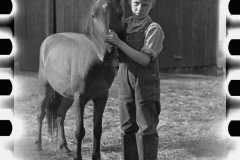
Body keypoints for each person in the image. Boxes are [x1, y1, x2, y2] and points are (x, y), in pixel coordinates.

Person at [107, 0, 165, 159]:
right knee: (127, 126)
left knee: (146, 127)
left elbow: (145, 60)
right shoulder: (123, 25)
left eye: (145, 5)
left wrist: (118, 42)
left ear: (152, 4)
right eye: (136, 3)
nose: (140, 9)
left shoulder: (153, 29)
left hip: (145, 82)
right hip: (124, 80)